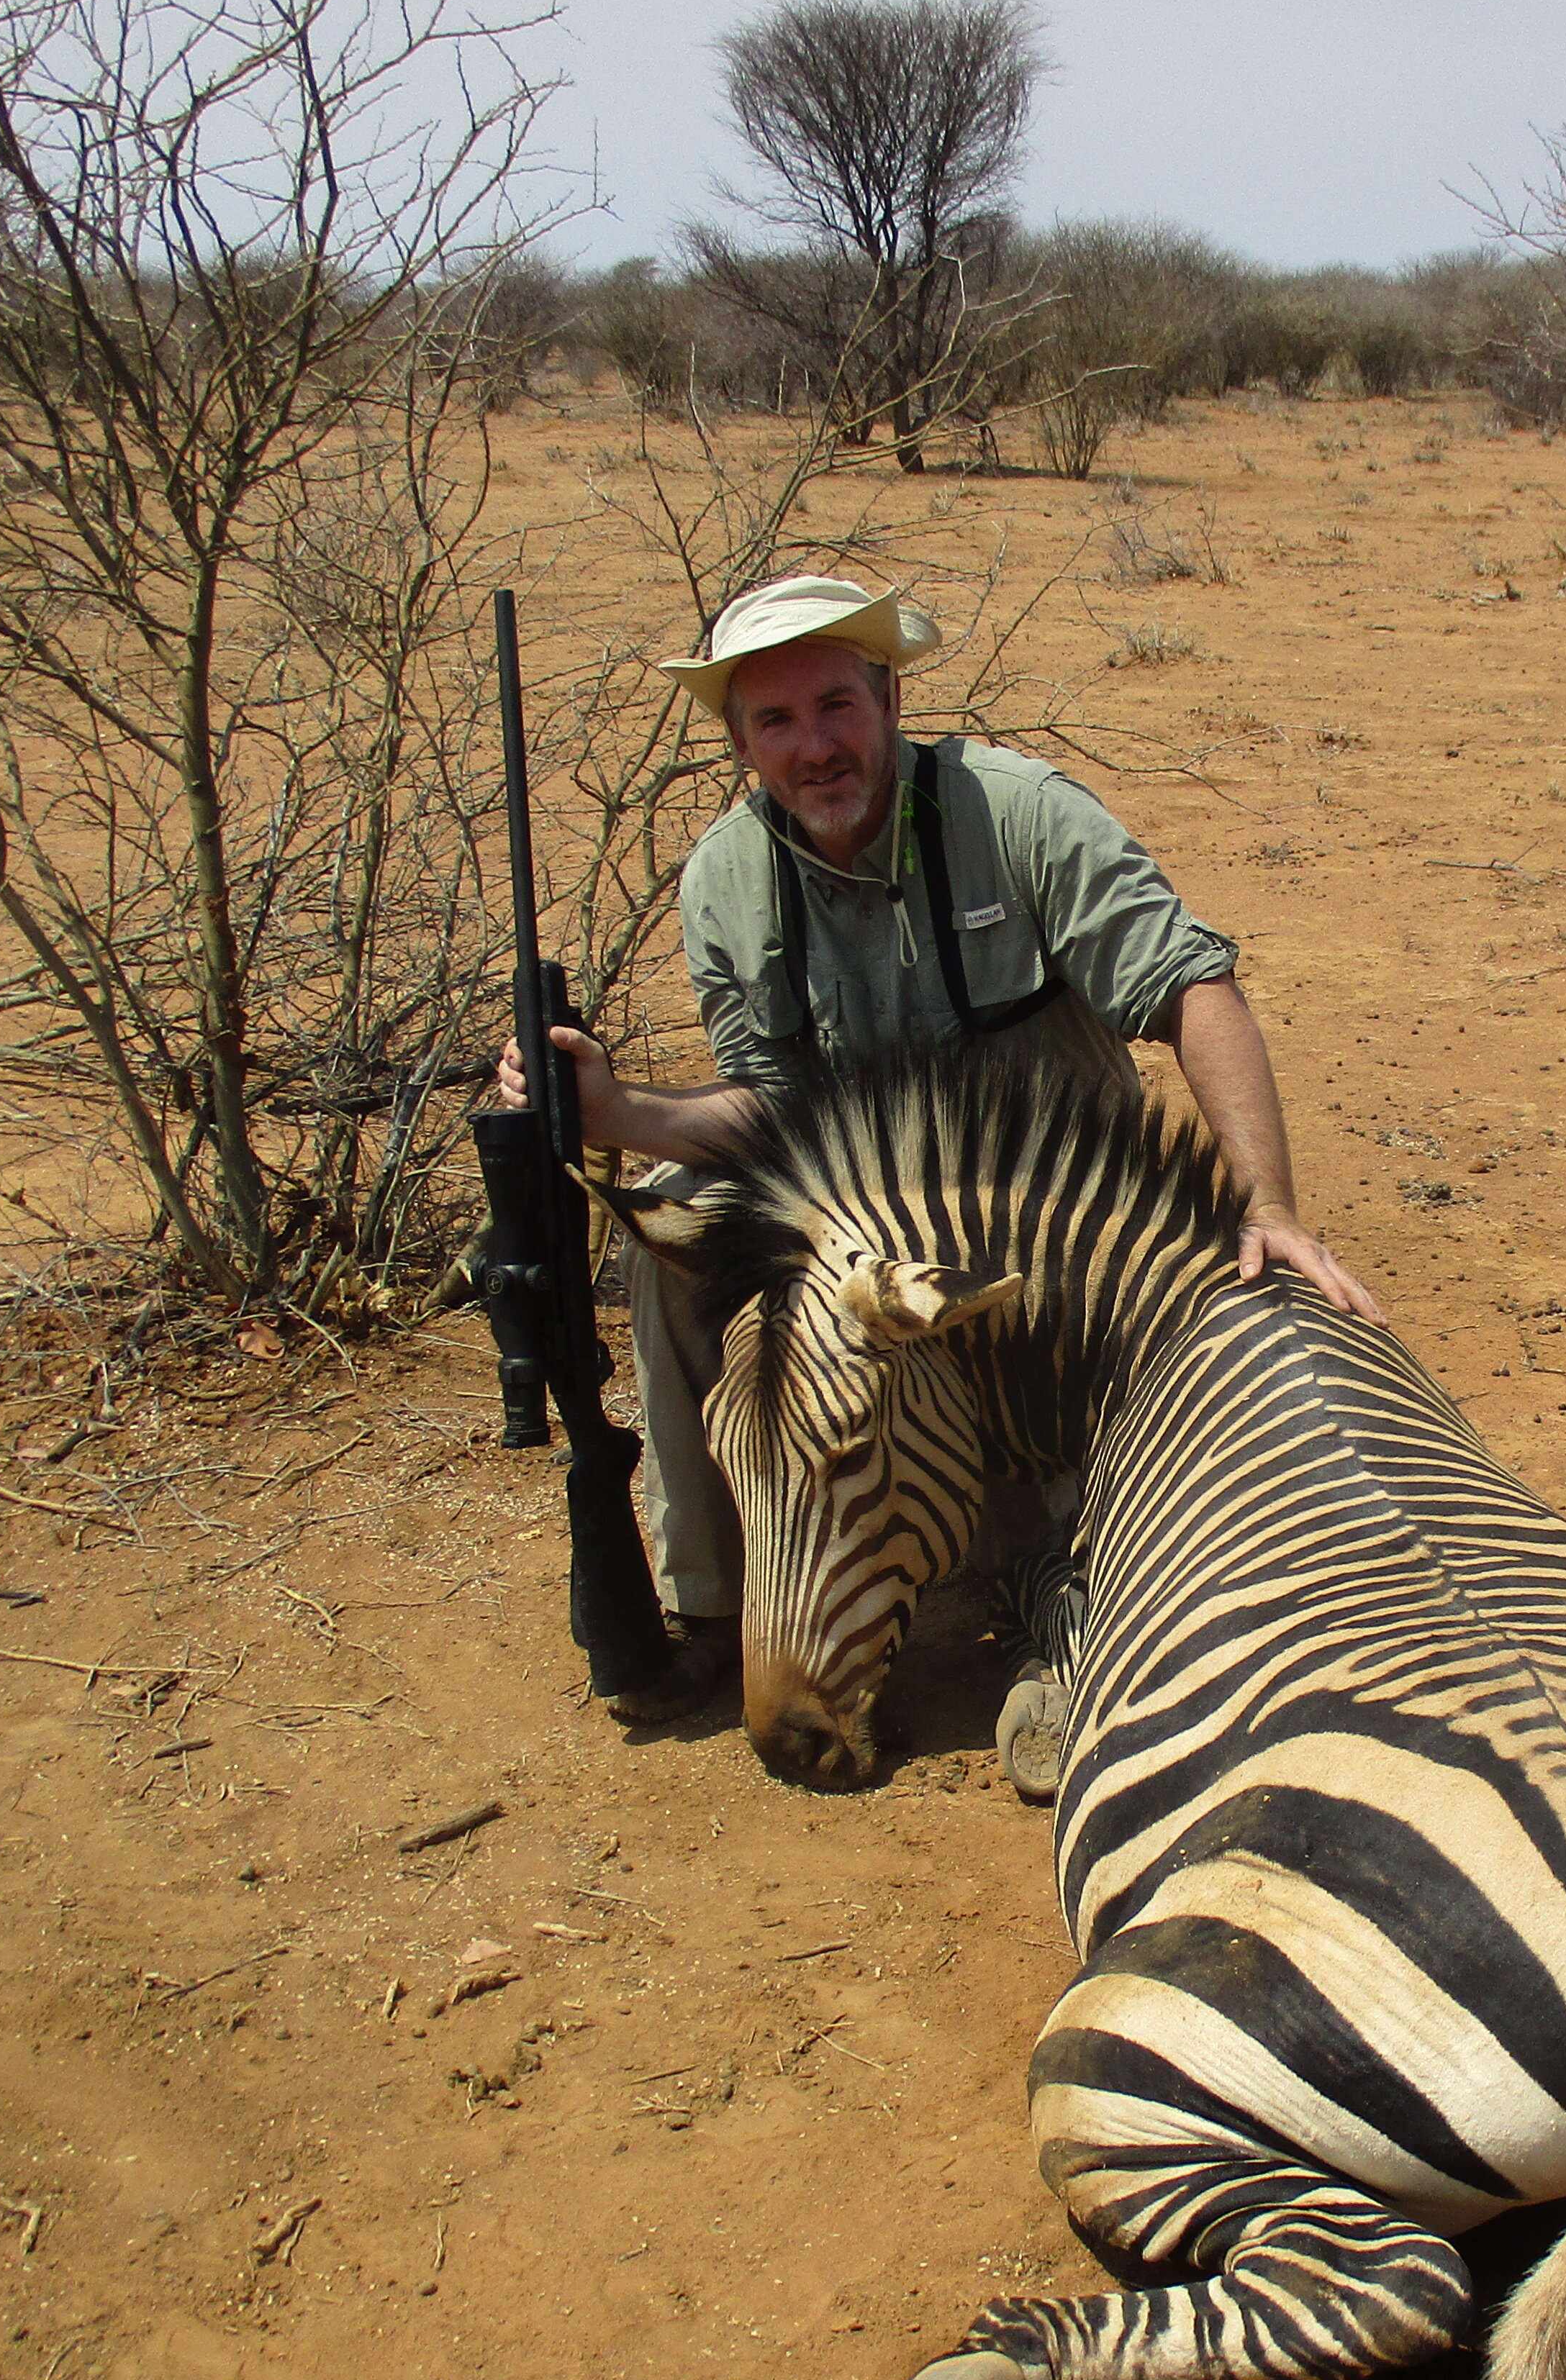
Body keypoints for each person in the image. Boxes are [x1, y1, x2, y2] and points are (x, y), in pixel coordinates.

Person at [497, 573, 1376, 1757]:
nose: (814, 746)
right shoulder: (727, 877)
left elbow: (1193, 990)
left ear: (888, 695)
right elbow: (774, 1115)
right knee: (672, 1240)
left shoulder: (1017, 811)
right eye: (776, 721)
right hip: (864, 1232)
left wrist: (1267, 1203)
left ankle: (1063, 1575)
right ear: (740, 741)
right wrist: (624, 1110)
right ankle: (710, 1596)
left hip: (1054, 1252)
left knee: (1137, 1485)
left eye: (835, 705)